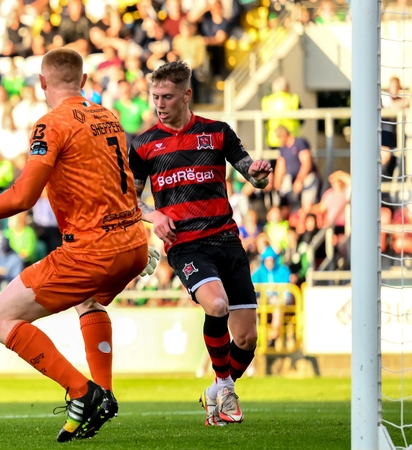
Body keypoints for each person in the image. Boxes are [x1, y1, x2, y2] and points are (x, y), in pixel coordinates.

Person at [0, 48, 159, 442]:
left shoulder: (51, 124)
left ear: (42, 83)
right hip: (131, 243)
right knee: (90, 301)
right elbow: (123, 181)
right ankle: (105, 394)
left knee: (0, 320)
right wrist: (135, 232)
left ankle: (83, 392)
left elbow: (22, 198)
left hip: (92, 250)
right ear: (83, 82)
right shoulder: (108, 117)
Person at [128, 61, 273, 427]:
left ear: (186, 95)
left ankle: (215, 391)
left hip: (227, 239)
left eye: (167, 96)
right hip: (186, 245)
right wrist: (154, 216)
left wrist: (257, 176)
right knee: (217, 304)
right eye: (155, 96)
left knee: (247, 338)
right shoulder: (144, 145)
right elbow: (128, 198)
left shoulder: (217, 132)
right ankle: (225, 389)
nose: (159, 103)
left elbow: (250, 174)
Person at [271, 125, 319, 213]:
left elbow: (307, 163)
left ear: (284, 134)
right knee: (284, 200)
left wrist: (300, 180)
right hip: (291, 179)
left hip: (306, 177)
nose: (279, 140)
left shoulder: (300, 143)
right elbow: (280, 166)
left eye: (279, 137)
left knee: (307, 205)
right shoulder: (283, 149)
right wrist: (277, 185)